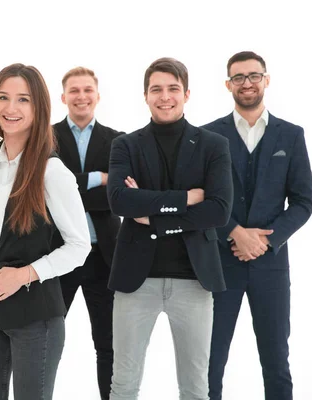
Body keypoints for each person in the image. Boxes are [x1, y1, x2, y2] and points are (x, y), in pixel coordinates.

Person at [0, 63, 91, 400]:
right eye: (3, 97)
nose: (10, 108)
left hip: (35, 319)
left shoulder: (51, 171)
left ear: (39, 108)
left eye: (23, 100)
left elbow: (79, 246)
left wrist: (24, 275)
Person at [107, 57, 233, 400]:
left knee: (195, 387)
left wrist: (152, 215)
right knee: (124, 383)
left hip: (194, 279)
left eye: (173, 89)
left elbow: (219, 211)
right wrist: (185, 199)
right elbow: (120, 202)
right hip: (136, 281)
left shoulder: (213, 145)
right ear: (145, 96)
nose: (165, 97)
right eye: (156, 89)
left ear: (187, 94)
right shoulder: (125, 145)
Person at [203, 51, 312, 400]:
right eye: (239, 77)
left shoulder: (291, 135)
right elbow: (202, 198)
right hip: (220, 264)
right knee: (210, 360)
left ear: (267, 80)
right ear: (227, 84)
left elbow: (303, 201)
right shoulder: (208, 136)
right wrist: (233, 231)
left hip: (271, 266)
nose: (247, 83)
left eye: (254, 75)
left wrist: (268, 240)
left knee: (276, 361)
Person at [52, 66, 121, 400]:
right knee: (45, 343)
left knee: (108, 345)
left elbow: (120, 197)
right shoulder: (44, 137)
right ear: (63, 97)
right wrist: (99, 177)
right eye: (74, 91)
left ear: (97, 96)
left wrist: (71, 185)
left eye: (87, 90)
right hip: (56, 255)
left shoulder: (119, 140)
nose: (81, 96)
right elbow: (44, 191)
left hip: (104, 256)